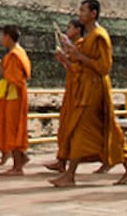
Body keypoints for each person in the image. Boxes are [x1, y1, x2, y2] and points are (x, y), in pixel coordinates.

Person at [51, 0, 127, 188]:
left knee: (81, 128)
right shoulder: (87, 38)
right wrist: (68, 59)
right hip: (85, 87)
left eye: (83, 10)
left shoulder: (100, 36)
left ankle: (70, 175)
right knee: (102, 130)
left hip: (96, 88)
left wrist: (79, 56)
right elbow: (79, 66)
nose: (80, 14)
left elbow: (104, 67)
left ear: (94, 14)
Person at [0, 24, 30, 175]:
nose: (1, 40)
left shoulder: (15, 55)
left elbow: (16, 79)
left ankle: (17, 167)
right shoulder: (18, 53)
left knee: (13, 128)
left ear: (7, 36)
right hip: (12, 94)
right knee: (12, 127)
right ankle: (21, 158)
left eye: (2, 36)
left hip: (15, 95)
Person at [46, 18, 85, 173]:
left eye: (69, 27)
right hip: (71, 90)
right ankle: (61, 160)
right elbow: (71, 68)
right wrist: (64, 59)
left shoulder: (81, 46)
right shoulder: (74, 47)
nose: (67, 30)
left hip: (79, 92)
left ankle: (67, 165)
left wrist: (66, 59)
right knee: (64, 127)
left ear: (77, 30)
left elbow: (79, 70)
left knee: (73, 128)